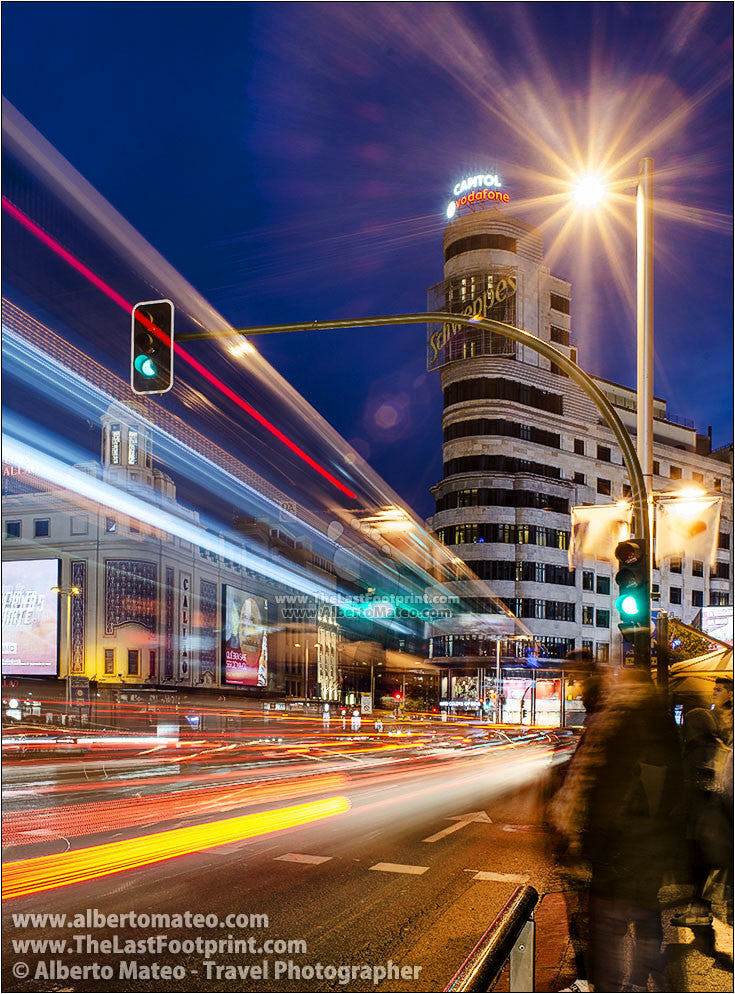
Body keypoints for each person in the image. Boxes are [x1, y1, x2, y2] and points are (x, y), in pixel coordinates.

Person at [550, 668, 685, 993]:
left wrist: (583, 843)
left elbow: (598, 789)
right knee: (647, 921)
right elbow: (675, 794)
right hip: (652, 853)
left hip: (616, 857)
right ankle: (641, 985)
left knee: (608, 934)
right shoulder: (665, 727)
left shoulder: (616, 725)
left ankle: (612, 986)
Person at [712, 676, 733, 746]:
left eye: (718, 690)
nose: (714, 693)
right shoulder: (715, 711)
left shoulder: (730, 713)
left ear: (730, 694)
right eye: (714, 690)